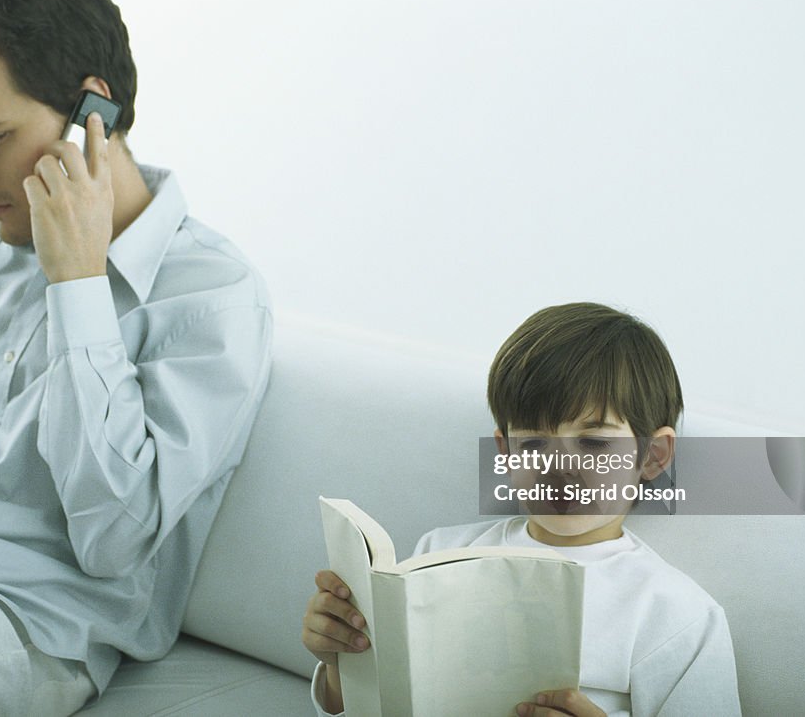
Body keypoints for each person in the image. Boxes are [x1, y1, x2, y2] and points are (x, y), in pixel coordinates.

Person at [0, 0, 271, 713]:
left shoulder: (212, 296)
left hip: (14, 624)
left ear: (95, 111)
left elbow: (114, 539)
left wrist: (77, 285)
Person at [302, 303, 741, 716]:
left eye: (593, 441)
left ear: (652, 456)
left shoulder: (676, 614)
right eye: (533, 443)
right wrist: (345, 665)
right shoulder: (438, 555)